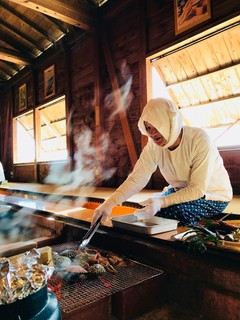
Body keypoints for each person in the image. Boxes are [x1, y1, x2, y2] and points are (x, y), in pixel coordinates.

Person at [92, 98, 232, 226]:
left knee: (171, 213)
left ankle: (208, 224)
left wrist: (162, 202)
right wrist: (109, 203)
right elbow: (136, 179)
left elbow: (197, 189)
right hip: (180, 190)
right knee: (147, 210)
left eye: (156, 126)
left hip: (212, 195)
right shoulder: (153, 147)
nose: (152, 133)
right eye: (148, 128)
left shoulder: (199, 139)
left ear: (169, 122)